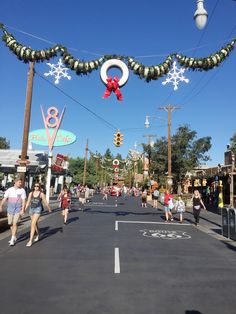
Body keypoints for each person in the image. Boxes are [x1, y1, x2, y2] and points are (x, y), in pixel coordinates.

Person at [0, 177, 26, 246]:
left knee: (14, 224)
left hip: (18, 209)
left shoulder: (22, 190)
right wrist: (1, 206)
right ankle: (14, 236)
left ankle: (12, 239)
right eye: (19, 182)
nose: (20, 183)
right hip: (10, 209)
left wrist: (23, 209)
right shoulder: (9, 190)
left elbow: (23, 200)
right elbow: (4, 198)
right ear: (15, 182)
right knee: (11, 224)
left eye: (21, 182)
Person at [25, 182, 52, 247]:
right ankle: (39, 234)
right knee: (35, 223)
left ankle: (30, 240)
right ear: (33, 187)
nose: (36, 187)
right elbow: (28, 202)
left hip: (38, 209)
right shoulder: (31, 193)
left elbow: (45, 202)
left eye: (37, 186)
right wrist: (24, 209)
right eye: (35, 186)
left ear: (39, 187)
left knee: (33, 224)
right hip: (31, 209)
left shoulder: (41, 194)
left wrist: (49, 209)